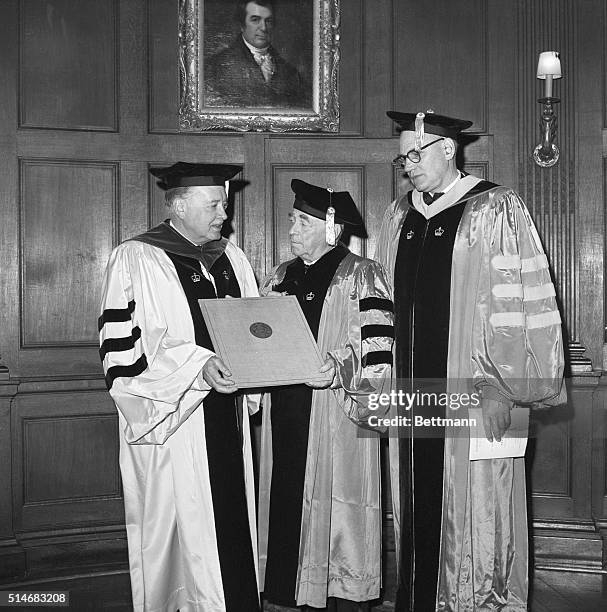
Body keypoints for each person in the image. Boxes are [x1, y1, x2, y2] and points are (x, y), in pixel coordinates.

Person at [375, 111, 566, 612]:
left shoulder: (495, 207)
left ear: (447, 150)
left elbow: (518, 303)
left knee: (478, 509)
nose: (407, 165)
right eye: (403, 156)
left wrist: (505, 386)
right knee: (415, 502)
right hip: (413, 398)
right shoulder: (399, 215)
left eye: (415, 154)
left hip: (476, 392)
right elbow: (380, 306)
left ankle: (475, 601)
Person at [98, 162, 260, 612]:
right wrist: (198, 365)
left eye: (223, 205)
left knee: (230, 522)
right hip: (174, 420)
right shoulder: (137, 257)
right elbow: (123, 351)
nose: (223, 216)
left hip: (225, 415)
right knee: (181, 530)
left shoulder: (232, 258)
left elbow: (254, 328)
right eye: (214, 205)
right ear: (181, 205)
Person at [257, 180, 394, 612]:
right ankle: (285, 590)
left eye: (303, 221)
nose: (293, 230)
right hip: (287, 408)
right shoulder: (282, 275)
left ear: (330, 226)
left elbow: (380, 350)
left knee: (339, 508)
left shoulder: (362, 274)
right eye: (293, 220)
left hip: (336, 413)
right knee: (285, 494)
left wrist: (338, 368)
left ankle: (338, 592)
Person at [206, 0, 308, 107]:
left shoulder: (290, 73)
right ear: (242, 25)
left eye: (268, 21)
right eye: (255, 20)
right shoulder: (216, 66)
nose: (263, 28)